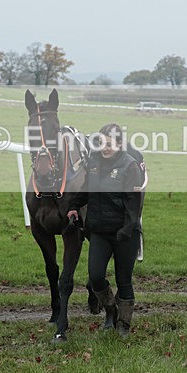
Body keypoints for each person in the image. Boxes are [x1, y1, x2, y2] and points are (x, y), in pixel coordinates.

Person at [68, 123, 143, 337]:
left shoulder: (130, 166)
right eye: (102, 142)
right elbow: (86, 191)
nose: (105, 147)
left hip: (124, 234)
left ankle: (124, 325)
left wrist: (127, 229)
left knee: (124, 280)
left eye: (110, 143)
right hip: (99, 231)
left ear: (120, 144)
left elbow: (133, 203)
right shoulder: (93, 163)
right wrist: (73, 206)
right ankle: (110, 308)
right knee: (96, 276)